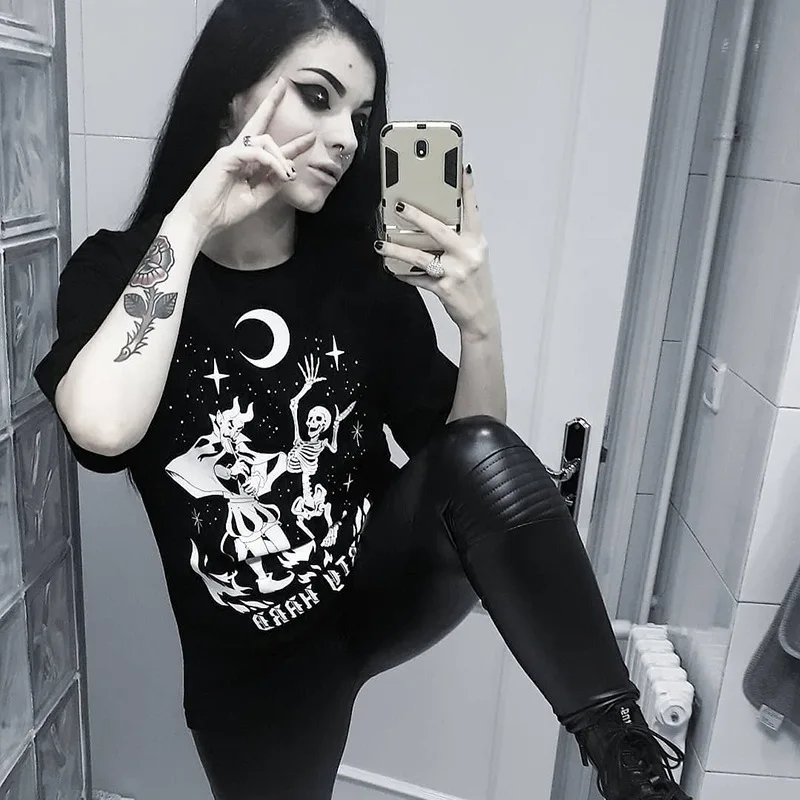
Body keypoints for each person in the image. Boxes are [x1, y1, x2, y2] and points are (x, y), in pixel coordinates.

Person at [35, 1, 691, 798]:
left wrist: (479, 325)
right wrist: (194, 216)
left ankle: (631, 768)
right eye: (318, 96)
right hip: (255, 664)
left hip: (379, 590)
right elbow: (103, 429)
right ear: (230, 96)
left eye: (361, 115)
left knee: (479, 453)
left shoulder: (358, 275)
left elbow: (470, 462)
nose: (348, 137)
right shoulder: (117, 273)